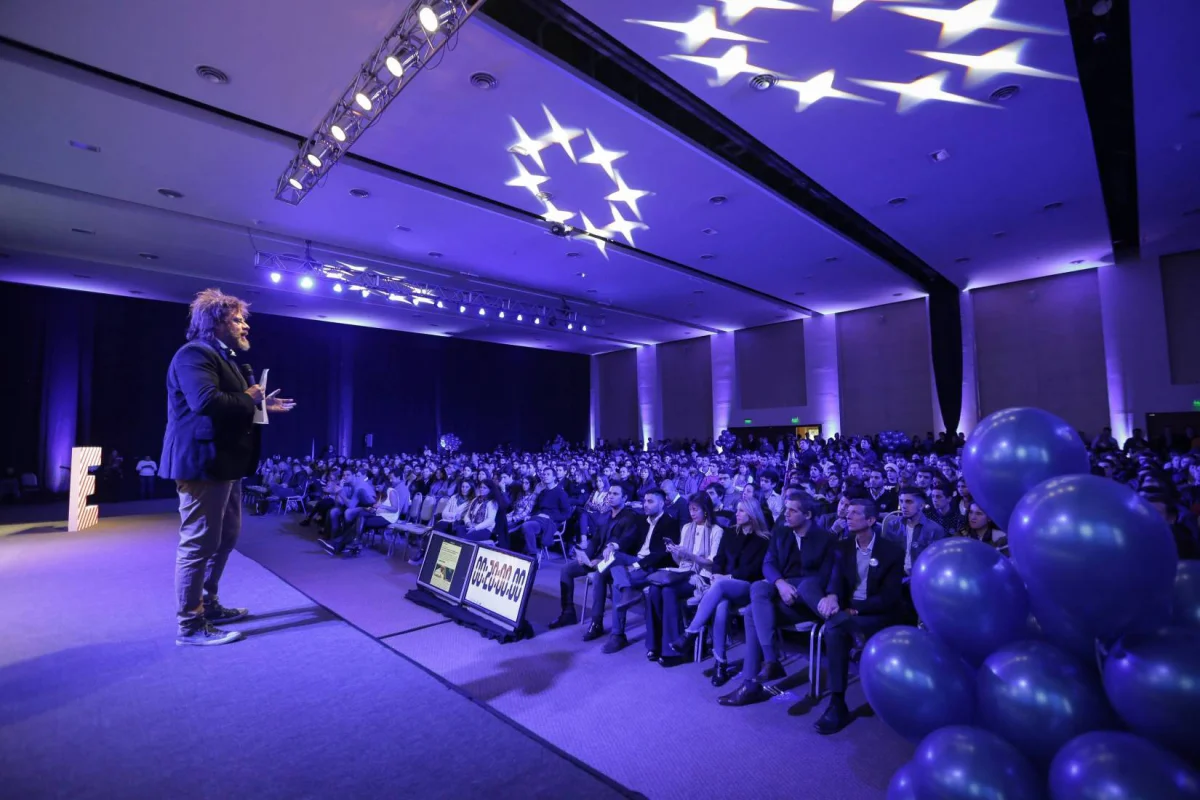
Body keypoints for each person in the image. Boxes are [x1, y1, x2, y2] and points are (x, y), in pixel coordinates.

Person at [160, 288, 294, 646]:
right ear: (215, 323)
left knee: (226, 535)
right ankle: (190, 624)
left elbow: (231, 403)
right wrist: (249, 398)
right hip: (203, 464)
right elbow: (205, 402)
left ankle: (208, 604)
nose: (245, 326)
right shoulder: (193, 355)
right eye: (237, 320)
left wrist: (260, 405)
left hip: (226, 463)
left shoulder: (224, 357)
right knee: (199, 543)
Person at [718, 492, 837, 706]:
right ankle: (768, 662)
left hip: (810, 601)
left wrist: (791, 587)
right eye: (785, 509)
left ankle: (753, 682)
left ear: (808, 514)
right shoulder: (781, 532)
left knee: (752, 613)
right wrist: (781, 584)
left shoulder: (826, 539)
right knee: (757, 591)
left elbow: (824, 578)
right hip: (784, 596)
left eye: (792, 510)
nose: (786, 514)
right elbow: (768, 564)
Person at [812, 498, 905, 734]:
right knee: (834, 627)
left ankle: (837, 703)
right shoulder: (841, 547)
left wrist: (855, 609)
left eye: (854, 513)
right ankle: (837, 702)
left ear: (871, 520)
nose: (847, 516)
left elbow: (889, 597)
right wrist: (833, 596)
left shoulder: (891, 551)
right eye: (848, 512)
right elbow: (835, 579)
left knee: (834, 627)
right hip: (845, 613)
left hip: (875, 614)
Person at [670, 498, 770, 686]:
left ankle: (691, 632)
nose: (737, 514)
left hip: (749, 586)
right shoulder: (730, 532)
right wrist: (716, 574)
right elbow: (719, 559)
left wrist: (726, 577)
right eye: (737, 510)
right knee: (721, 605)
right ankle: (720, 662)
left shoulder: (763, 540)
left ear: (752, 514)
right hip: (723, 585)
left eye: (741, 511)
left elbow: (755, 569)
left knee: (720, 588)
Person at [591, 488, 679, 653]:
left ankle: (618, 635)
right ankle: (624, 593)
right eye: (644, 501)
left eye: (650, 501)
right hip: (635, 560)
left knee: (616, 582)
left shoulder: (670, 523)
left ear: (661, 503)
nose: (645, 505)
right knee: (609, 564)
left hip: (652, 566)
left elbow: (661, 554)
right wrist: (613, 545)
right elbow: (628, 538)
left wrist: (636, 566)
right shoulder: (641, 520)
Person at [549, 482, 643, 629]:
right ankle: (567, 613)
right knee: (566, 570)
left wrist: (599, 560)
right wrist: (585, 556)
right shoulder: (605, 516)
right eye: (609, 493)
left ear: (624, 498)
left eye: (615, 494)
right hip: (595, 559)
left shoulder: (631, 518)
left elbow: (625, 544)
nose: (610, 496)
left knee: (599, 574)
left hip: (614, 562)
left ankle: (596, 622)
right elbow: (595, 540)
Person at [644, 492, 723, 665]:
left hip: (702, 576)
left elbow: (711, 563)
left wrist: (690, 555)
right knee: (654, 589)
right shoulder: (687, 527)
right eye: (690, 509)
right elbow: (680, 562)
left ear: (706, 510)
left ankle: (673, 650)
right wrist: (675, 552)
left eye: (695, 509)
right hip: (684, 572)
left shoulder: (716, 530)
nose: (692, 513)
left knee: (668, 591)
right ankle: (655, 644)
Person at [517, 467, 571, 555]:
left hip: (551, 522)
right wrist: (530, 516)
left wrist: (549, 517)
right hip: (538, 519)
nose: (545, 476)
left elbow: (567, 513)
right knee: (520, 524)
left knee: (527, 526)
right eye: (544, 474)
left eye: (548, 474)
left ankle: (533, 554)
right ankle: (524, 553)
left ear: (554, 477)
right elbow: (537, 509)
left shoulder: (561, 493)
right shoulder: (542, 492)